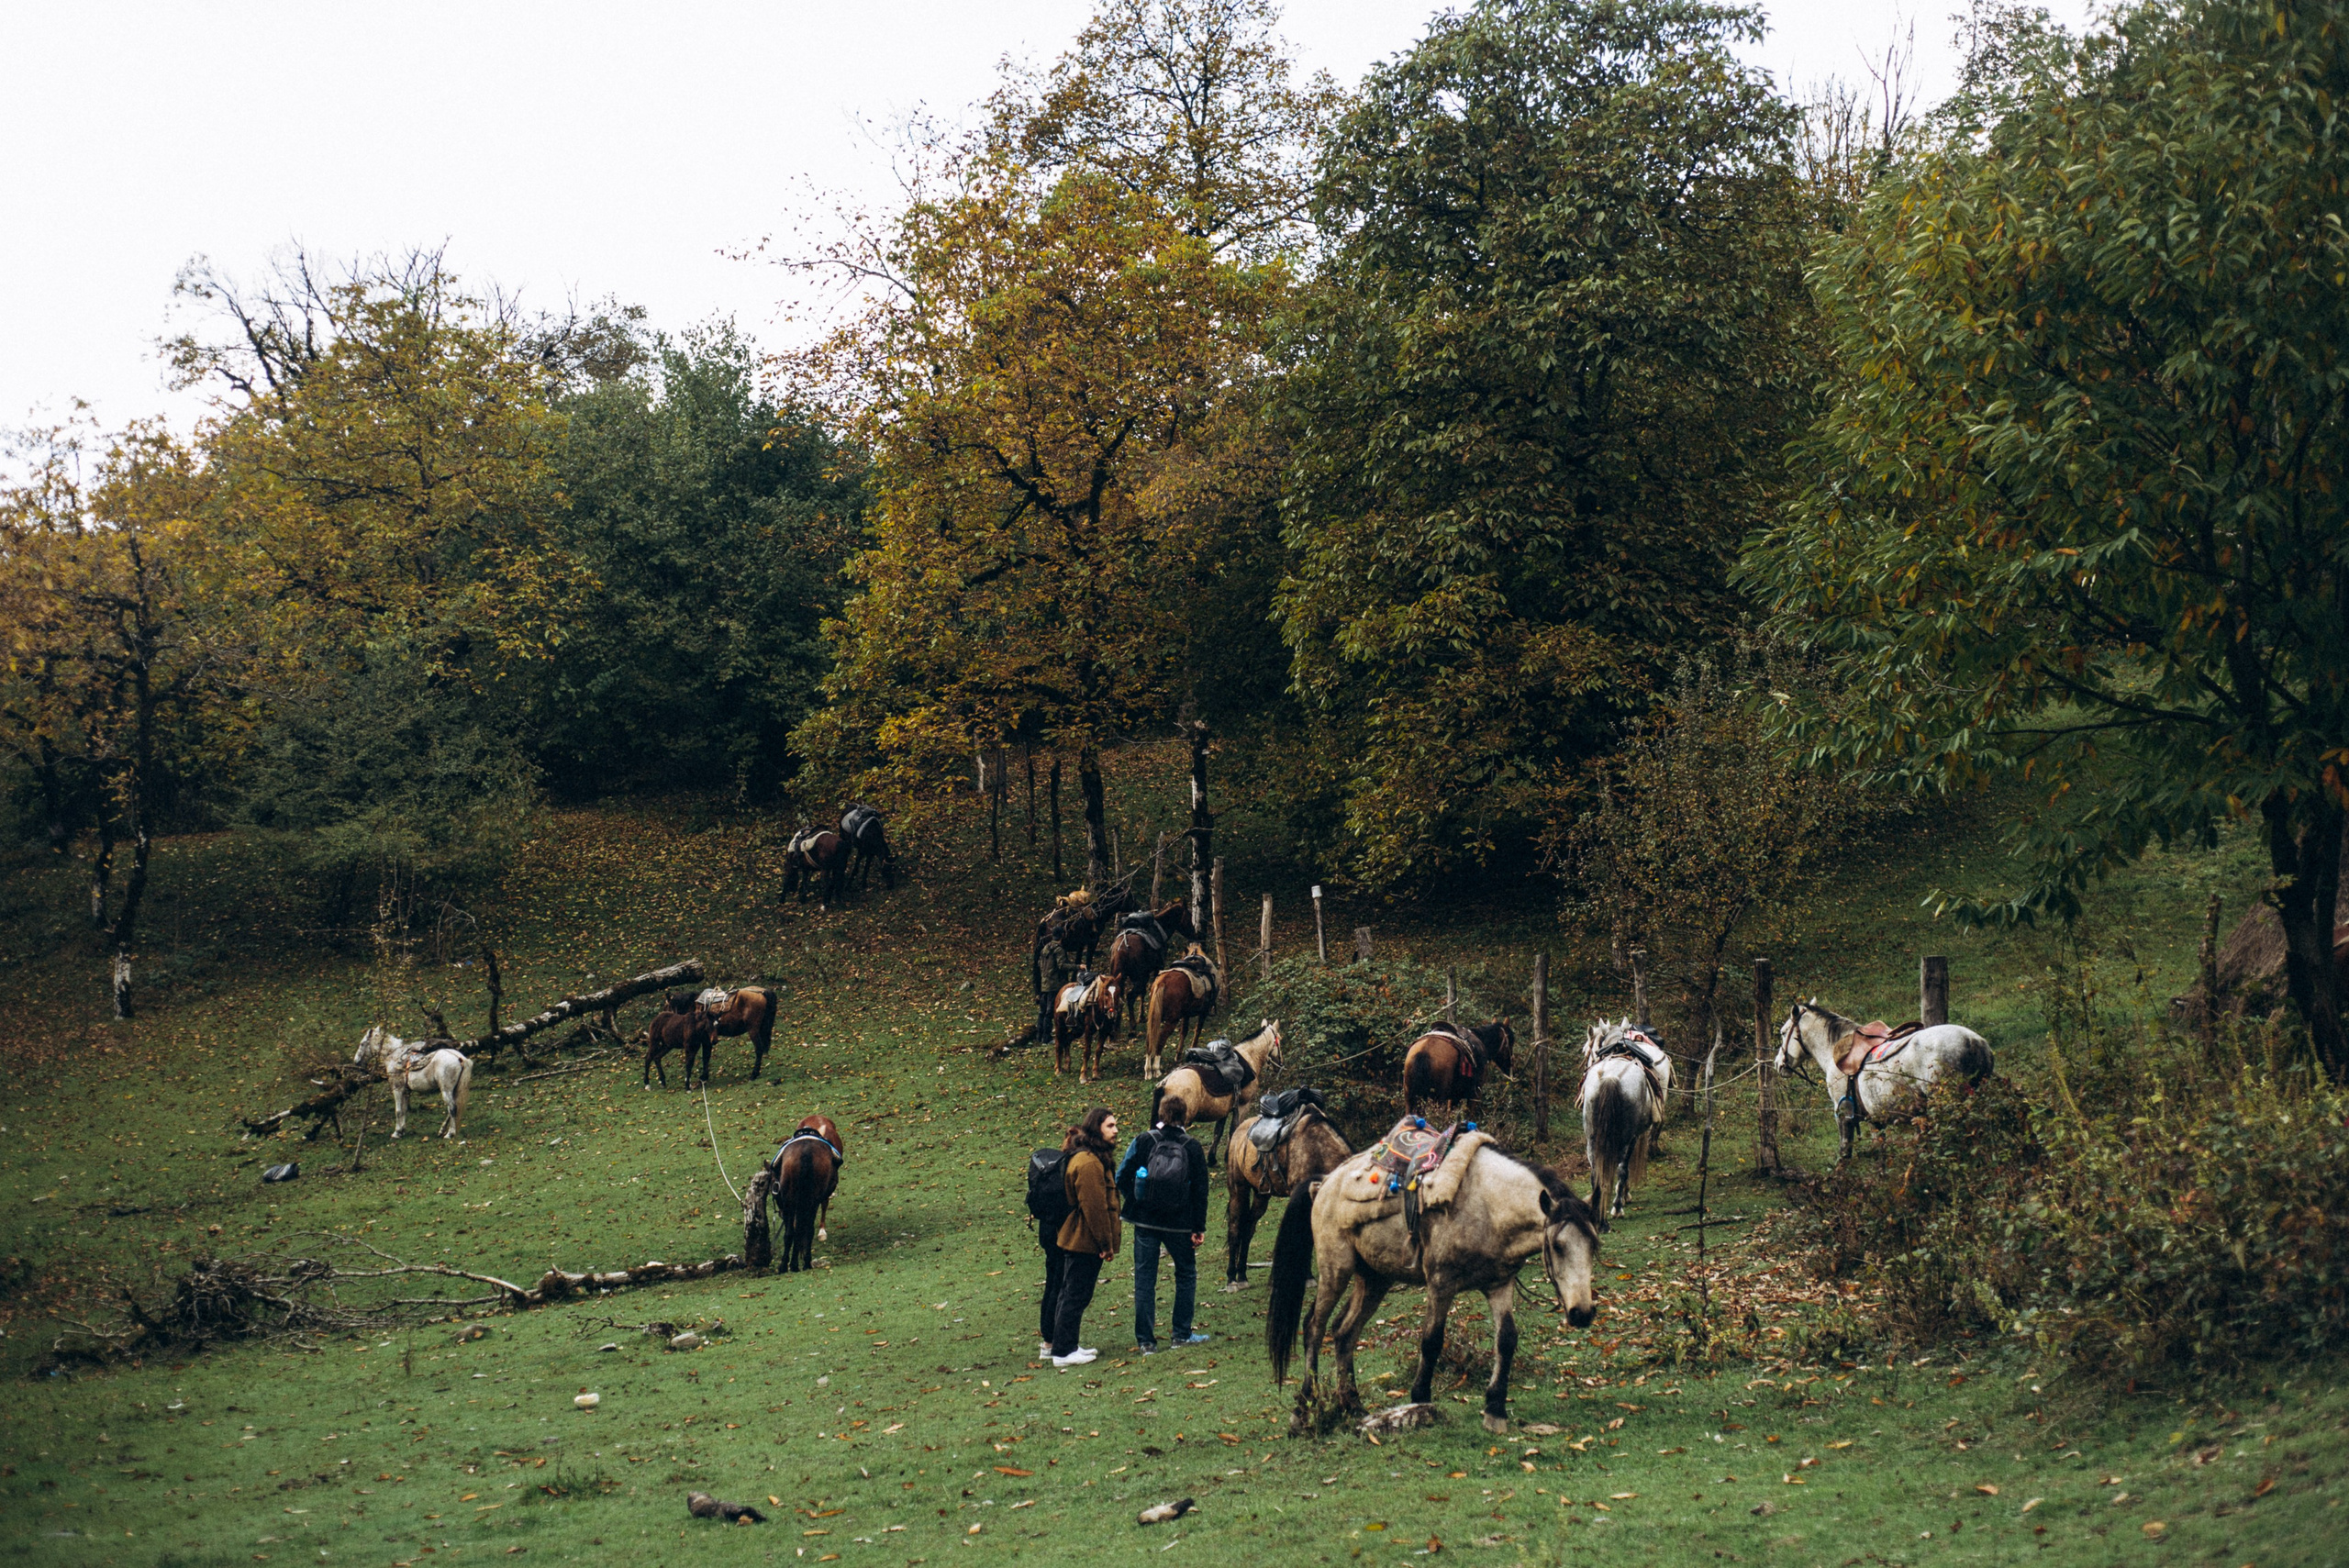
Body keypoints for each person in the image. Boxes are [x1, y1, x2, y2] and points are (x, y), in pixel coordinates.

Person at [1116, 1100, 1210, 1354]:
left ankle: (1146, 1341)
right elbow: (1201, 1191)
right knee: (1186, 1274)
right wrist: (1198, 1226)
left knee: (1145, 1279)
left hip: (1145, 1221)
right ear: (1186, 1117)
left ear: (1160, 1114)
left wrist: (1135, 1200)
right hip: (1180, 1224)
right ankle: (1181, 1334)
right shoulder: (1192, 1147)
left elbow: (1121, 1175)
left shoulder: (1144, 1140)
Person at [1050, 1106, 1121, 1369]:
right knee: (1075, 1295)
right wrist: (1105, 1244)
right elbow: (1095, 1207)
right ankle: (1063, 1351)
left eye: (1115, 1125)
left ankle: (1068, 1344)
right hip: (1084, 1240)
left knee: (1073, 1293)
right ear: (1096, 1129)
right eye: (1110, 1126)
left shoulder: (1090, 1157)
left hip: (1082, 1238)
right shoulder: (1089, 1162)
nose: (1116, 1131)